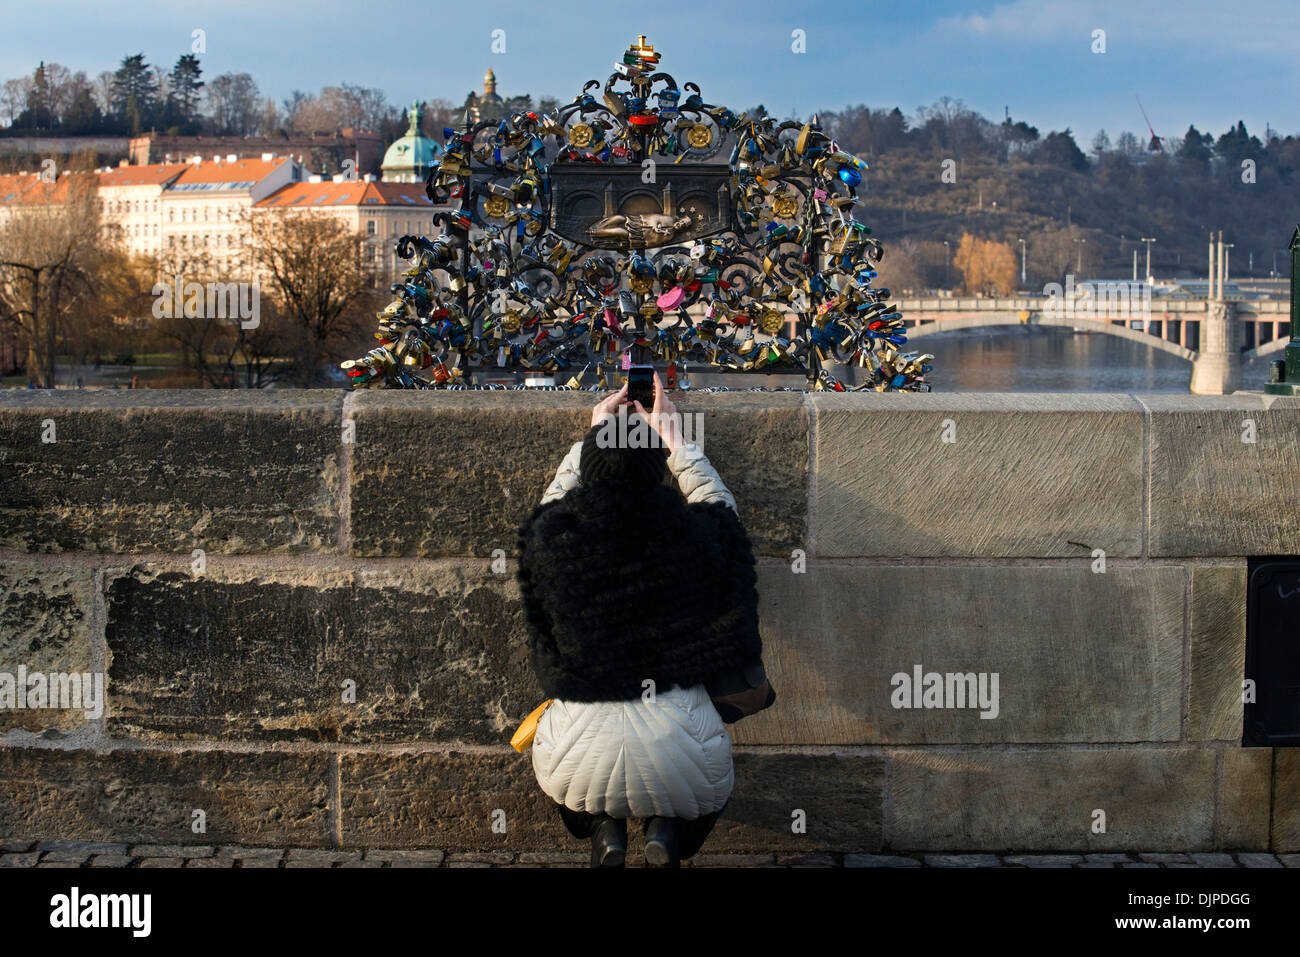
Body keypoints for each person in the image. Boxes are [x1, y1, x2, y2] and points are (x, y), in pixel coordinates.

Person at [515, 372, 764, 867]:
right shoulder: (694, 536)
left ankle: (603, 830)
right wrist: (675, 438)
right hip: (683, 753)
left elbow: (545, 514)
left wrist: (594, 436)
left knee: (572, 784)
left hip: (575, 757)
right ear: (658, 471)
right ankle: (667, 833)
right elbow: (722, 514)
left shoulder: (554, 541)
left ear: (588, 467)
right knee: (699, 788)